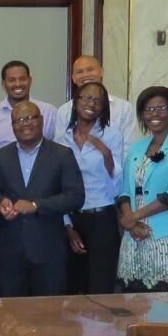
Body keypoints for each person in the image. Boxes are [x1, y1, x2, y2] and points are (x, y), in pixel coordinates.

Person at [0, 101, 84, 299]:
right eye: (19, 120)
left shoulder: (62, 154)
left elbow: (75, 196)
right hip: (10, 252)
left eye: (31, 118)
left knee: (48, 319)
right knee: (10, 320)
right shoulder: (0, 156)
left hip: (49, 252)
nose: (26, 124)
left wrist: (36, 205)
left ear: (41, 120)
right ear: (13, 126)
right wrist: (1, 203)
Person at [117, 87, 168, 292]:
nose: (154, 114)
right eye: (148, 109)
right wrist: (130, 222)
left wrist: (133, 217)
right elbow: (125, 190)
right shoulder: (137, 147)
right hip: (134, 237)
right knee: (133, 303)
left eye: (161, 107)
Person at [58, 82, 124, 294]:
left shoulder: (112, 136)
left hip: (101, 219)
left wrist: (106, 154)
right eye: (86, 97)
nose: (91, 103)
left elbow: (117, 187)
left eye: (97, 100)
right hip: (71, 219)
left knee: (100, 287)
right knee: (73, 288)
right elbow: (57, 188)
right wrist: (68, 227)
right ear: (75, 102)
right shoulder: (61, 140)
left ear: (104, 107)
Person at [0, 60, 56, 170]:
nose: (18, 84)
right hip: (1, 183)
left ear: (30, 80)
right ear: (3, 84)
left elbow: (59, 153)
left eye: (23, 79)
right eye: (11, 80)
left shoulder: (49, 112)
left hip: (42, 181)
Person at [54, 55, 138, 148]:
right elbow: (60, 147)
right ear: (73, 78)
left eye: (90, 70)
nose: (85, 75)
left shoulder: (123, 108)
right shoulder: (64, 110)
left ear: (101, 72)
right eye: (80, 72)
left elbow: (129, 147)